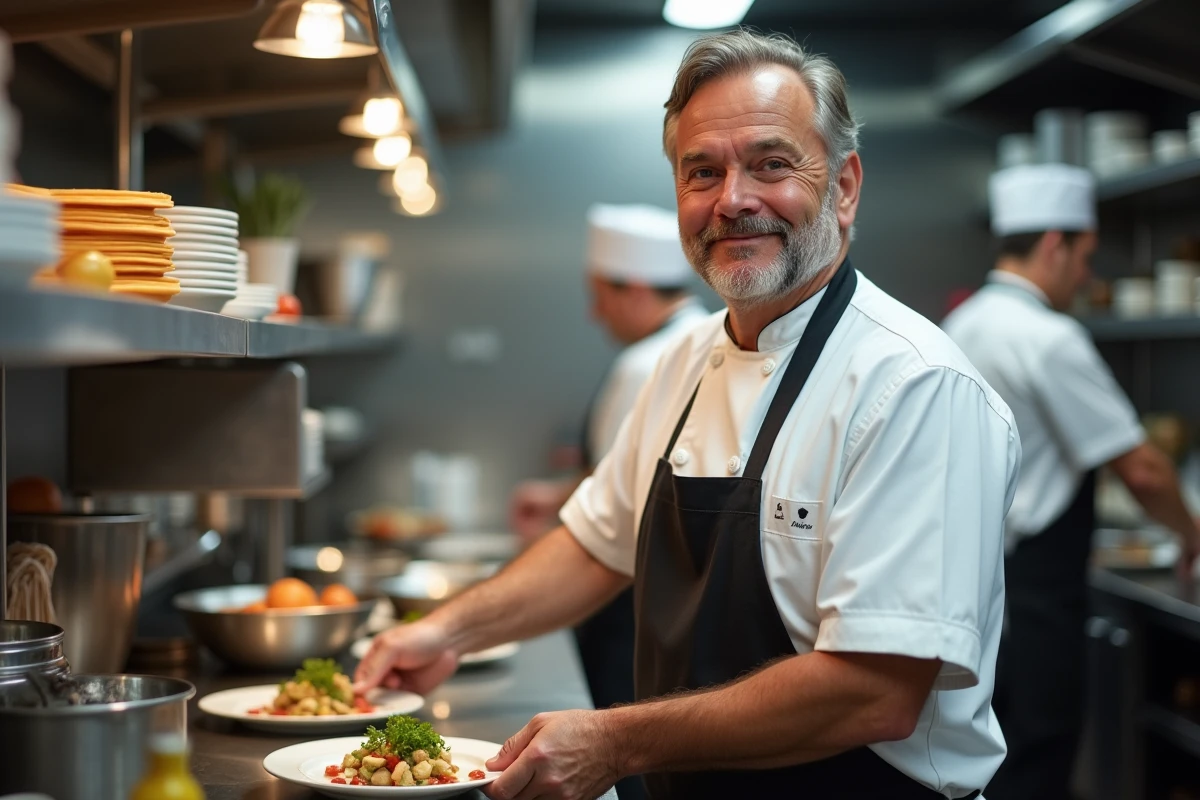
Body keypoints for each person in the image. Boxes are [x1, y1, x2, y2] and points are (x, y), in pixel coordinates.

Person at [358, 29, 1018, 800]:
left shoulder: (914, 385)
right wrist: (447, 632)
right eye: (702, 171)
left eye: (771, 164)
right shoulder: (684, 360)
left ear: (843, 187)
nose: (732, 200)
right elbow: (597, 541)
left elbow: (876, 691)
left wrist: (612, 740)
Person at [943, 164, 1200, 800]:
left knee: (992, 759)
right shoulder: (1049, 337)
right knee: (1038, 754)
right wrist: (1192, 534)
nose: (1088, 275)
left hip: (973, 584)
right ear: (1055, 245)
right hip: (1035, 596)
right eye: (1084, 256)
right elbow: (1139, 465)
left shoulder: (962, 324)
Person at [510, 203, 708, 800]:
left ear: (636, 289)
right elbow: (622, 476)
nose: (595, 313)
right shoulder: (694, 341)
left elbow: (620, 500)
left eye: (600, 296)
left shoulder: (649, 361)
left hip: (630, 600)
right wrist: (555, 498)